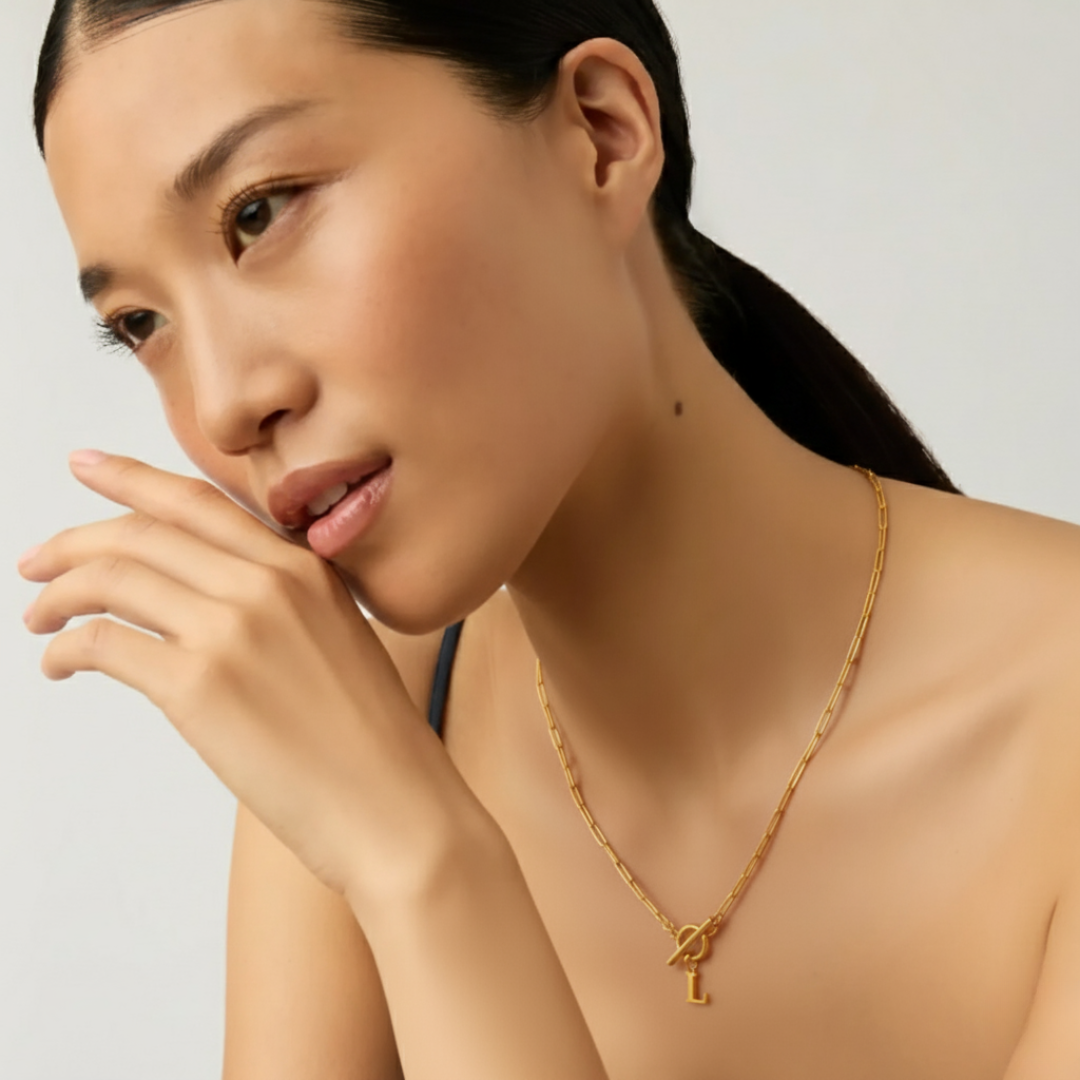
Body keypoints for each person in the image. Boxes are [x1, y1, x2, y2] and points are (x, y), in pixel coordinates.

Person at [18, 1, 1080, 1077]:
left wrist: (422, 865)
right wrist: (397, 835)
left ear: (600, 131)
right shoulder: (367, 720)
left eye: (260, 212)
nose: (223, 405)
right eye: (140, 323)